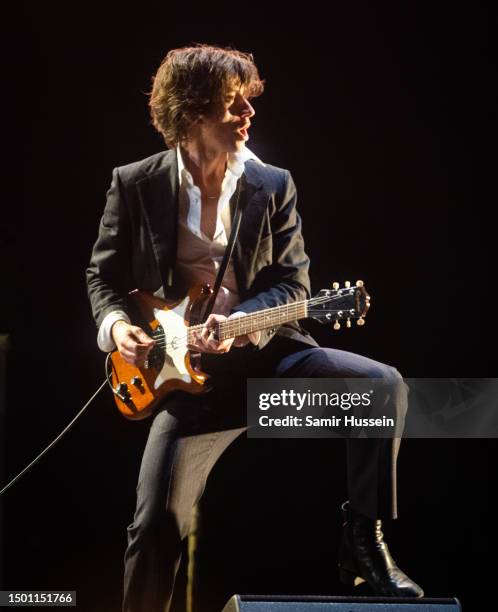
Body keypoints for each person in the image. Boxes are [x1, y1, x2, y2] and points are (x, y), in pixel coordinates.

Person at [86, 44, 424, 612]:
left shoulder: (272, 184)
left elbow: (294, 287)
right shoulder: (135, 183)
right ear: (192, 113)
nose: (248, 114)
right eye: (232, 104)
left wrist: (241, 322)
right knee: (153, 531)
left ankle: (364, 546)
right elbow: (103, 278)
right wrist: (117, 326)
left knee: (382, 389)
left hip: (270, 368)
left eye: (248, 102)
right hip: (190, 388)